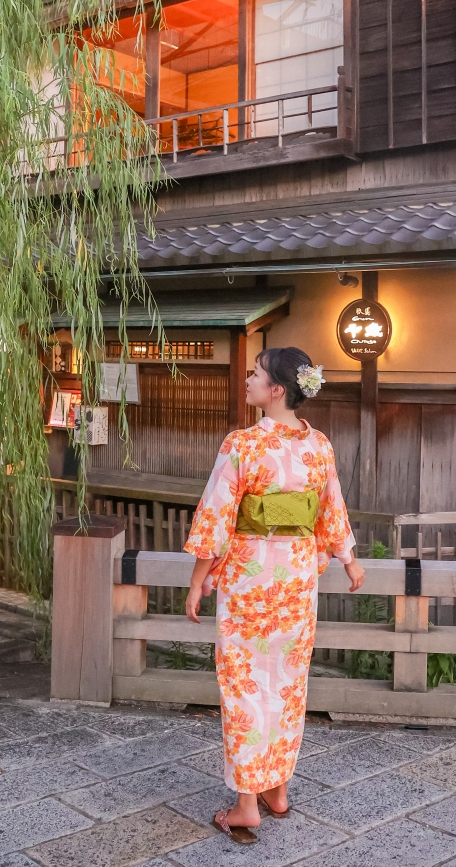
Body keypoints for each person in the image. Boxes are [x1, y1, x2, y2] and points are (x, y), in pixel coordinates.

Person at [184, 346, 366, 844]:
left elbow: (217, 517)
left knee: (245, 685)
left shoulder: (243, 445)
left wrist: (199, 578)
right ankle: (278, 789)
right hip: (295, 581)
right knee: (287, 684)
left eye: (256, 373)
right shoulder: (319, 446)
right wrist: (349, 558)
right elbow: (332, 509)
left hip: (249, 579)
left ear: (278, 389)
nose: (248, 378)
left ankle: (247, 805)